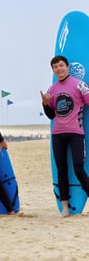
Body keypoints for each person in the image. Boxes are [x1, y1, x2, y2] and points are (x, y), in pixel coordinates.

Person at [40, 55, 89, 217]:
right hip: (58, 134)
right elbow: (51, 116)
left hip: (76, 132)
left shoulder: (79, 85)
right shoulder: (51, 90)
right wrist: (45, 103)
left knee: (78, 168)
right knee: (61, 170)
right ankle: (65, 208)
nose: (58, 69)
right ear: (53, 70)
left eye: (61, 65)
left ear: (67, 67)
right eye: (55, 67)